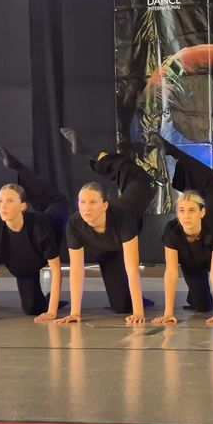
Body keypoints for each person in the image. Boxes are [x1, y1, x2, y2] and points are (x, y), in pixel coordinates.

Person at [58, 127, 152, 324]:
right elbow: (76, 270)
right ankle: (137, 299)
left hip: (129, 208)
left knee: (139, 178)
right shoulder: (75, 224)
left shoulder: (123, 217)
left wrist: (139, 311)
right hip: (108, 253)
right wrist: (75, 312)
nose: (86, 208)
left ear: (105, 205)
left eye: (93, 202)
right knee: (120, 306)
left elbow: (132, 268)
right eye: (82, 202)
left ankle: (92, 152)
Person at [0, 144, 70, 323]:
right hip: (26, 265)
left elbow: (56, 269)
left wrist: (52, 312)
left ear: (22, 206)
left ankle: (16, 166)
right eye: (0, 201)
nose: (3, 206)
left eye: (10, 201)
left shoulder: (40, 226)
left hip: (53, 217)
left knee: (50, 197)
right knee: (31, 308)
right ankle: (49, 299)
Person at [148, 132, 213, 325]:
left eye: (192, 211)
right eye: (181, 211)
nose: (186, 216)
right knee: (202, 306)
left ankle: (174, 152)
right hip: (192, 260)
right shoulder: (172, 231)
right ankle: (200, 298)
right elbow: (171, 271)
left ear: (202, 212)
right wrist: (168, 312)